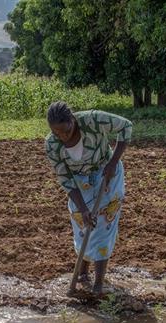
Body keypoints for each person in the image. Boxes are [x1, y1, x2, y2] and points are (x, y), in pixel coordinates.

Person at [45, 101, 132, 295]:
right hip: (79, 183)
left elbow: (126, 126)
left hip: (107, 173)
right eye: (57, 133)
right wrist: (83, 208)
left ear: (73, 120)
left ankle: (99, 284)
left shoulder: (92, 120)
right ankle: (83, 272)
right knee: (82, 222)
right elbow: (65, 179)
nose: (62, 137)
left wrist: (113, 162)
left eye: (66, 131)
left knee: (102, 224)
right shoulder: (52, 145)